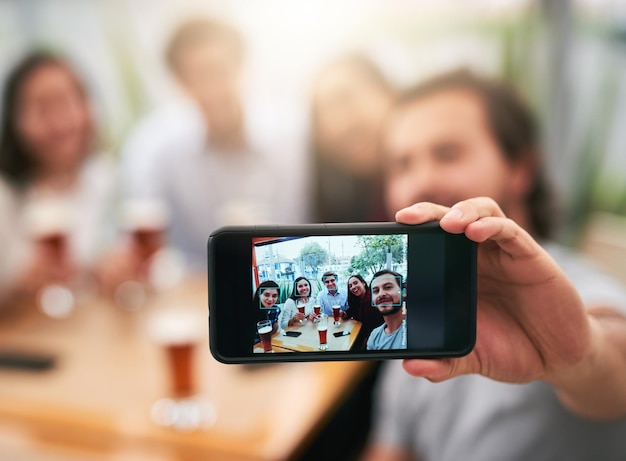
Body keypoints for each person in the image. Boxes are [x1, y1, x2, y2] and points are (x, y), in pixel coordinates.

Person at [364, 70, 626, 460]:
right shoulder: (406, 303)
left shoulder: (575, 286)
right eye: (401, 164)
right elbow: (390, 448)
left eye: (447, 153)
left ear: (519, 169)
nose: (419, 181)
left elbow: (614, 363)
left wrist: (577, 355)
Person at [121, 17, 308, 270]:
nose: (214, 89)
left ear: (242, 66)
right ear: (180, 83)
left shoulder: (292, 135)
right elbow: (145, 238)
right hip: (194, 293)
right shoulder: (156, 146)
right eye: (199, 76)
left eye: (222, 71)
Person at [0, 51, 117, 307]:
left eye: (66, 102)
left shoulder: (109, 180)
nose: (59, 122)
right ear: (15, 122)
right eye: (42, 108)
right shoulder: (6, 197)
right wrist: (16, 288)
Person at [310, 54, 394, 223]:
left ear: (389, 91)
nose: (336, 126)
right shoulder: (351, 204)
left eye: (343, 99)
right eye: (320, 114)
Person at [365, 270, 406, 351]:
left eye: (388, 287)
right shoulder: (374, 336)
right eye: (376, 291)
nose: (381, 294)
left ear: (404, 292)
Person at [345, 274, 384, 351]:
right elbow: (353, 310)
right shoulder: (359, 299)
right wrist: (344, 314)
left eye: (356, 283)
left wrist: (363, 347)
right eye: (350, 286)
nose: (353, 287)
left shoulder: (369, 300)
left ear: (363, 283)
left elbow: (371, 327)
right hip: (363, 334)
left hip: (374, 339)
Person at [252, 280, 281, 345]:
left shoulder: (276, 310)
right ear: (259, 294)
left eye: (274, 296)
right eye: (266, 295)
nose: (270, 299)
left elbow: (274, 329)